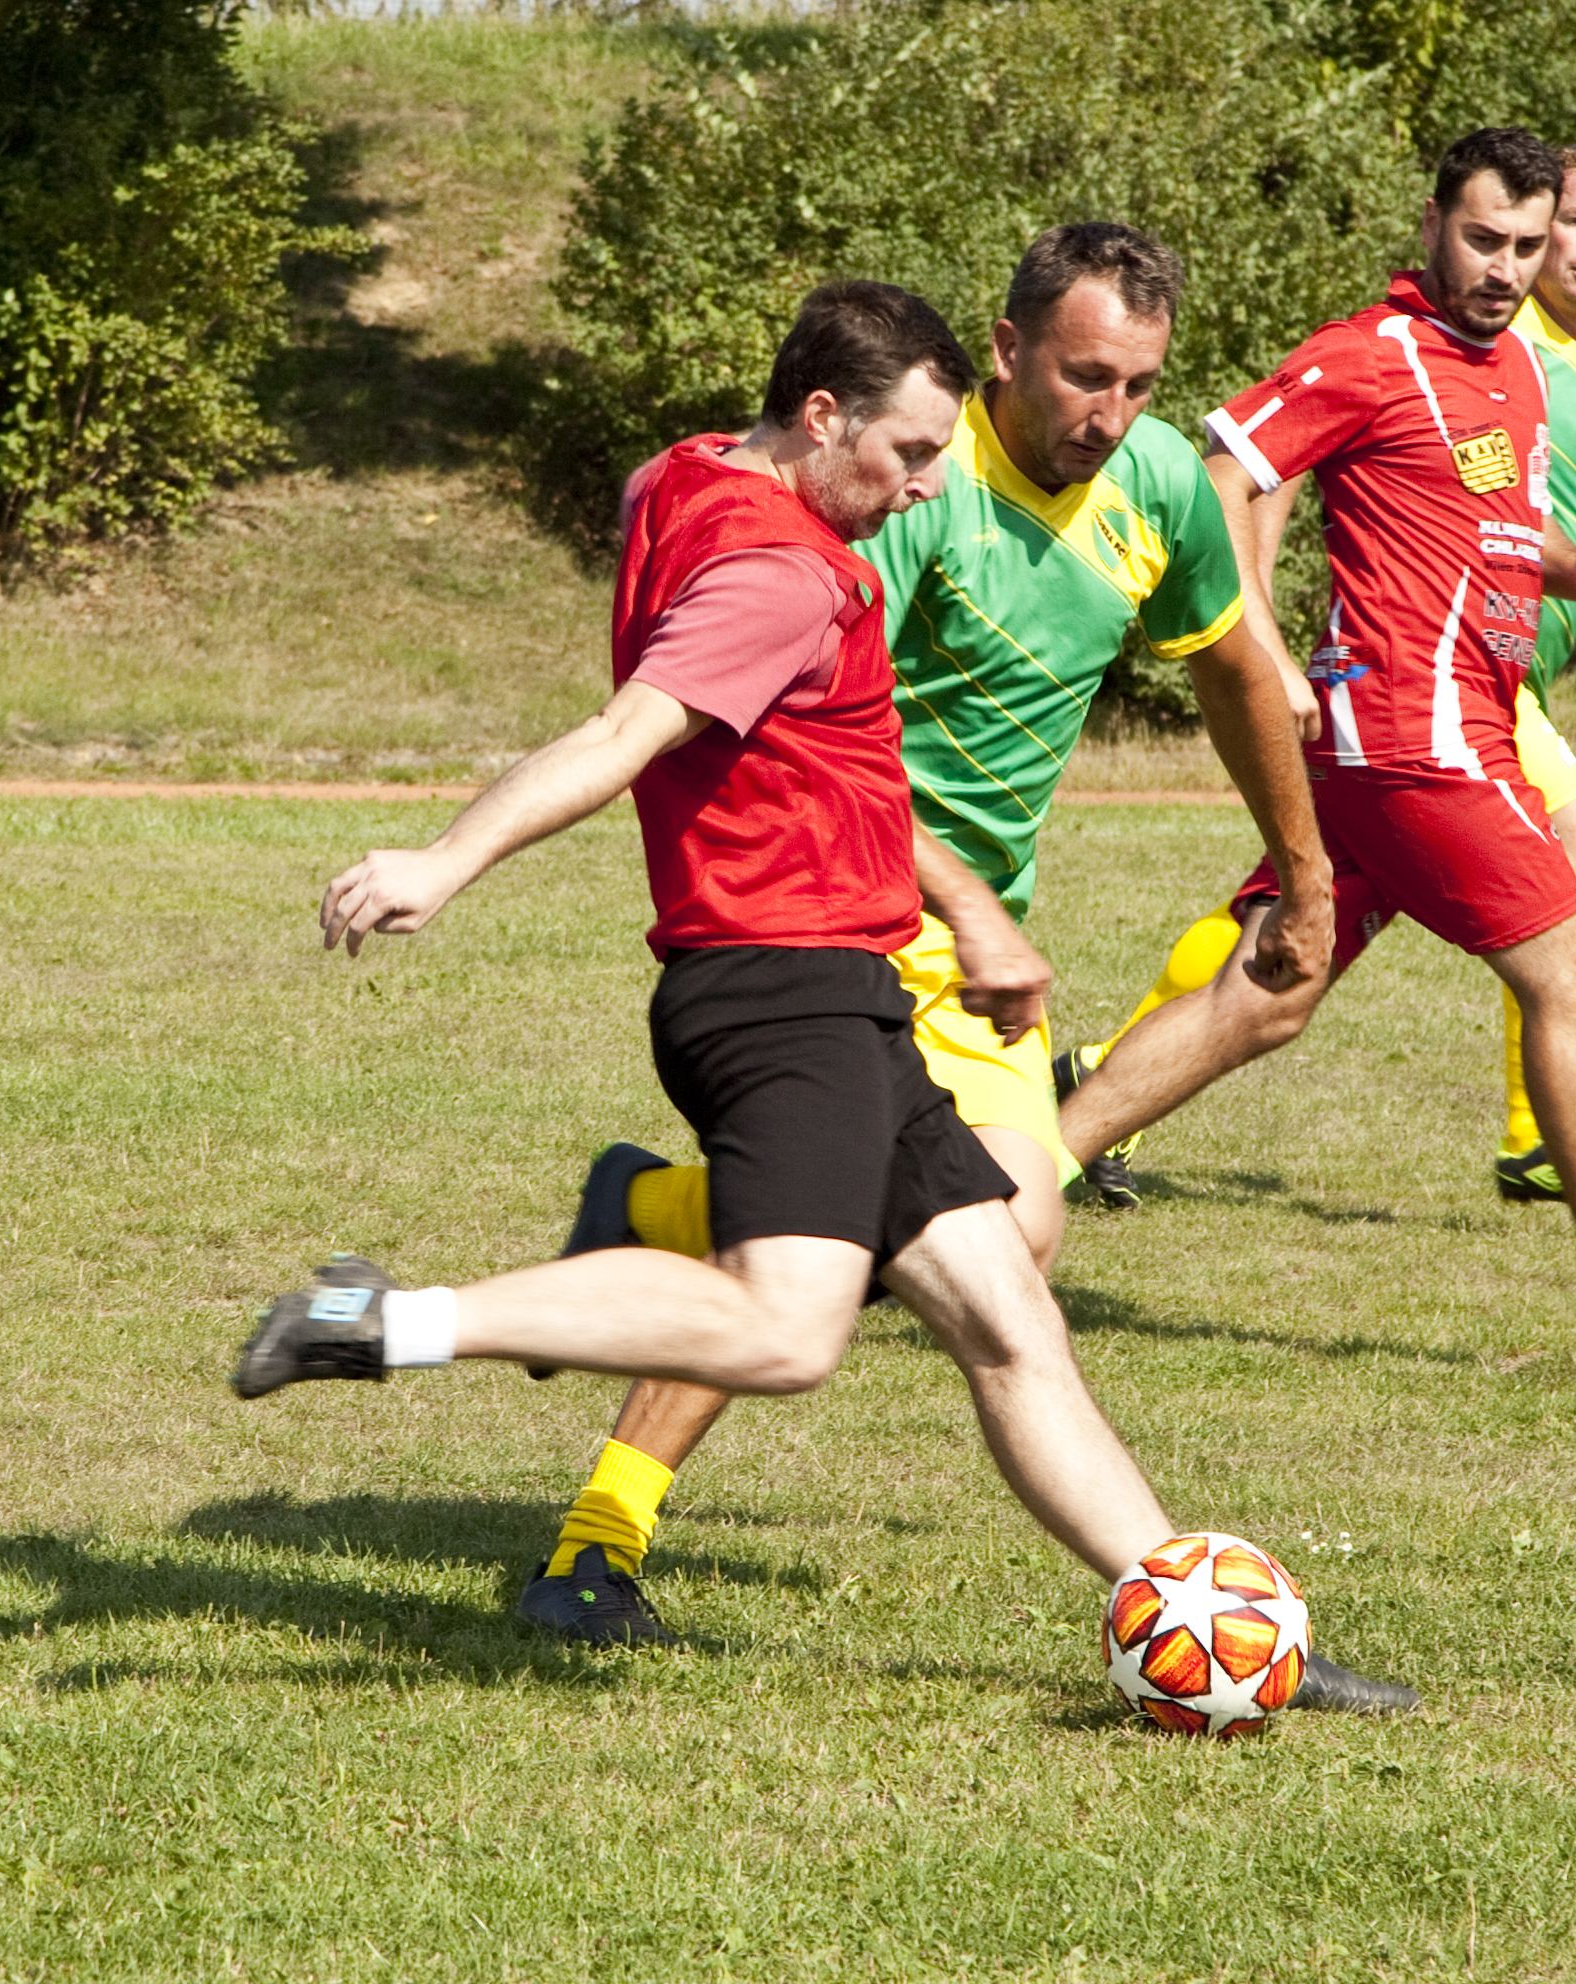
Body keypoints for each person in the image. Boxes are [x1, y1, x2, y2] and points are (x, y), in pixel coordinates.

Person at [229, 280, 1379, 1708]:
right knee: (788, 1328)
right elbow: (622, 734)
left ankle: (1213, 1623)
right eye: (902, 457)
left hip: (847, 986)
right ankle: (383, 1323)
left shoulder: (688, 472)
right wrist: (445, 858)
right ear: (821, 417)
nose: (917, 493)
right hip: (778, 990)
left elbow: (695, 519)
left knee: (1008, 1313)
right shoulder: (784, 577)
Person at [1036, 129, 1576, 1358]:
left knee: (1268, 993)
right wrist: (1260, 646)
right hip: (1411, 731)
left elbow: (1480, 518)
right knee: (1571, 974)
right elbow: (1225, 466)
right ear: (1434, 224)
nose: (1505, 268)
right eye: (1483, 239)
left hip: (1445, 728)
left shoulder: (1498, 371)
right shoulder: (1372, 351)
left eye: (1527, 245)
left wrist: (1574, 565)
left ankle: (1003, 1185)